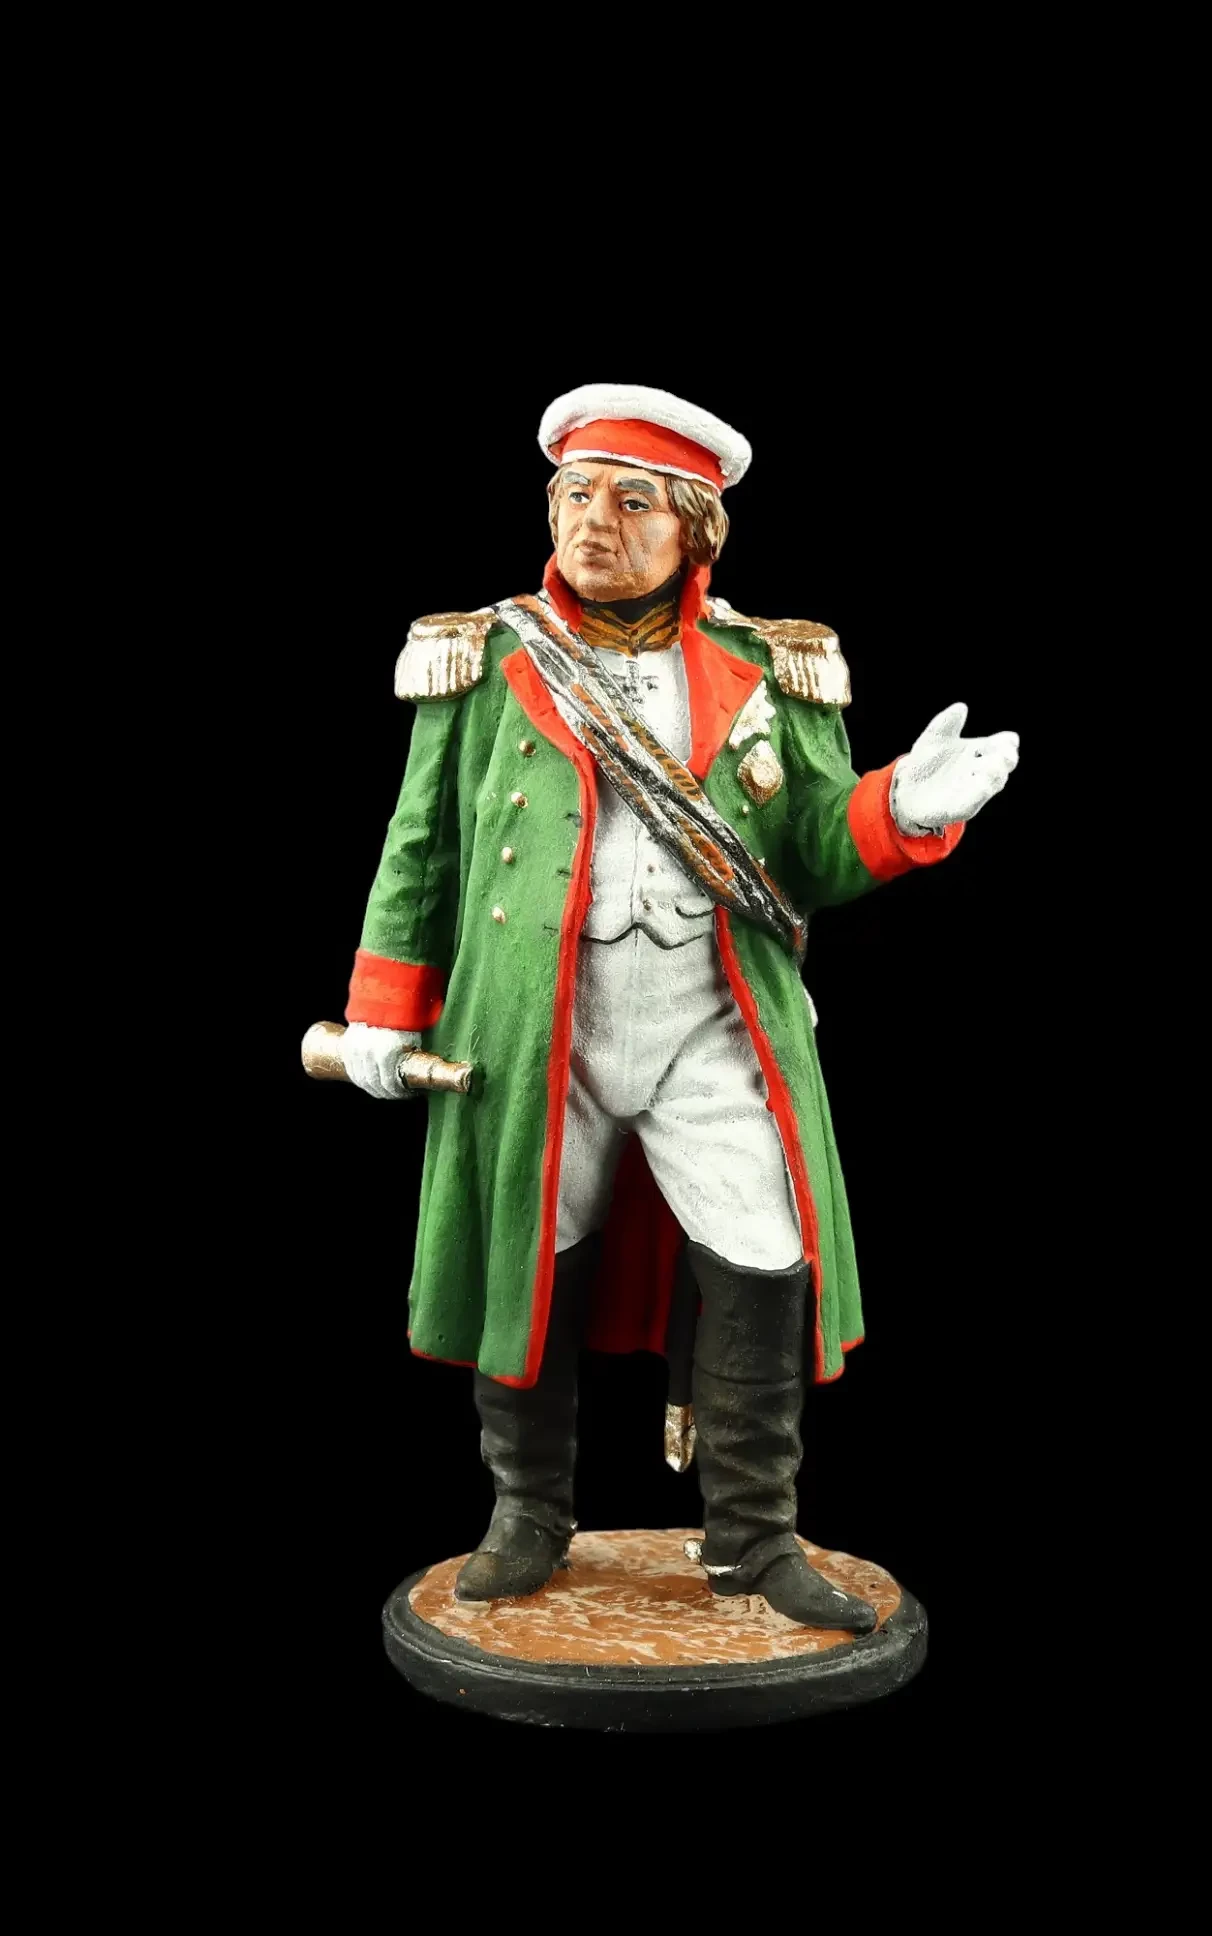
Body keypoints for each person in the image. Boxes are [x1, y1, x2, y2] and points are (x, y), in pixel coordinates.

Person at [339, 383, 1019, 1632]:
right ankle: (526, 1514)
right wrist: (384, 1010)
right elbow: (418, 847)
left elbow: (810, 846)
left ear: (695, 527)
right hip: (537, 1028)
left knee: (761, 1248)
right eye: (574, 493)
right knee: (526, 1250)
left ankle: (753, 1539)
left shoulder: (765, 665)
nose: (592, 520)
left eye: (631, 500)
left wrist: (903, 808)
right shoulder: (485, 657)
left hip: (714, 1018)